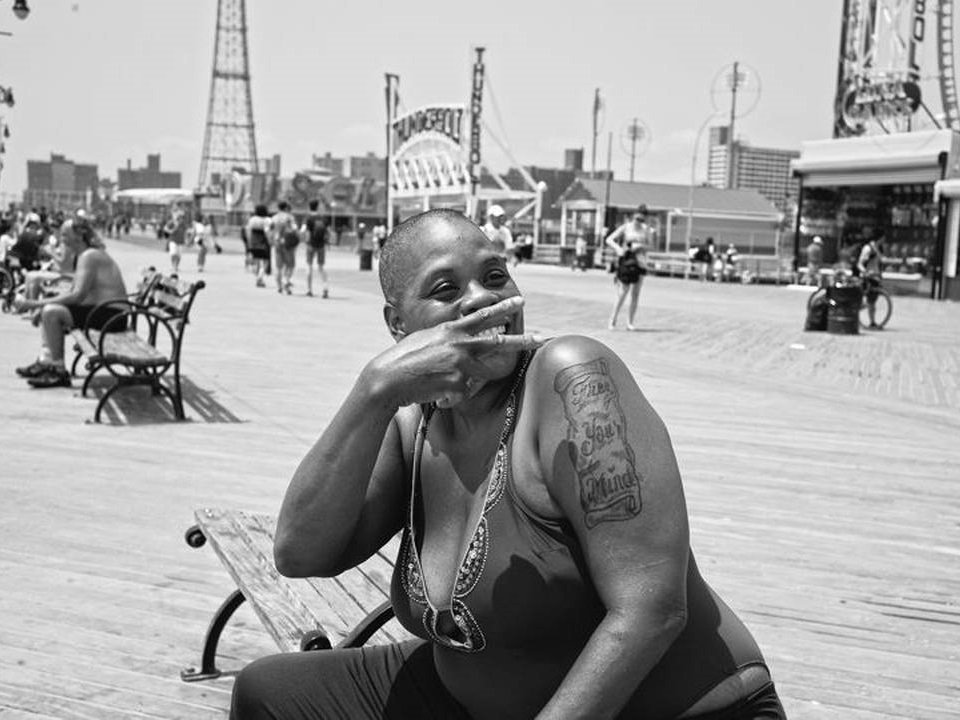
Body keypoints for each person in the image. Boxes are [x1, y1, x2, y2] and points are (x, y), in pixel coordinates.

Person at [230, 208, 784, 720]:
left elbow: (652, 611)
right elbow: (299, 553)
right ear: (398, 326)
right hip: (466, 698)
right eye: (446, 289)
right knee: (269, 692)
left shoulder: (571, 380)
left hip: (683, 712)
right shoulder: (412, 424)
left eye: (495, 276)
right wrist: (372, 391)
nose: (481, 298)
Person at [14, 218, 128, 389]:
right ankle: (47, 361)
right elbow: (76, 292)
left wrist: (33, 304)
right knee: (50, 309)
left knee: (52, 312)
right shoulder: (86, 255)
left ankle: (58, 371)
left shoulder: (89, 256)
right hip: (107, 312)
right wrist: (42, 305)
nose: (62, 239)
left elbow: (77, 296)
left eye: (65, 235)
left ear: (79, 236)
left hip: (113, 316)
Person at [605, 205, 652, 330]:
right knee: (623, 292)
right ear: (634, 216)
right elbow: (609, 239)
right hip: (627, 261)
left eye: (642, 220)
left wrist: (641, 246)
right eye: (637, 219)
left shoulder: (646, 229)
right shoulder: (626, 227)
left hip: (640, 262)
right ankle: (613, 319)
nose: (639, 222)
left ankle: (630, 322)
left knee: (635, 294)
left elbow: (650, 245)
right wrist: (618, 249)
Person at [302, 201, 331, 299]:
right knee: (321, 267)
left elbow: (303, 231)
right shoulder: (323, 218)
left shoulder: (308, 218)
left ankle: (309, 290)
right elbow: (328, 232)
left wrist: (305, 239)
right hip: (321, 245)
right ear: (317, 207)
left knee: (309, 266)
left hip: (310, 244)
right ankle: (325, 288)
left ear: (309, 207)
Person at [856, 231, 884, 329]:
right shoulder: (868, 249)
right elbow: (859, 264)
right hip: (868, 277)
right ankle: (856, 315)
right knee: (869, 301)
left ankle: (872, 322)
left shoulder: (877, 248)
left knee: (872, 302)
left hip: (875, 277)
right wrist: (866, 272)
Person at [271, 201, 300, 294]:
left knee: (278, 267)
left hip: (277, 243)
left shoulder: (274, 218)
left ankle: (279, 287)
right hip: (288, 243)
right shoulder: (290, 217)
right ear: (286, 208)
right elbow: (295, 229)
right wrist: (297, 239)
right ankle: (286, 281)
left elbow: (269, 229)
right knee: (290, 265)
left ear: (278, 207)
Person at [246, 204, 272, 287]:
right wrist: (270, 241)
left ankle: (258, 278)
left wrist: (249, 242)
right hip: (263, 242)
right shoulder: (267, 220)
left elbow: (248, 231)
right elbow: (267, 231)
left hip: (253, 242)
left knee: (256, 261)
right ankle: (260, 278)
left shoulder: (252, 219)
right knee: (265, 262)